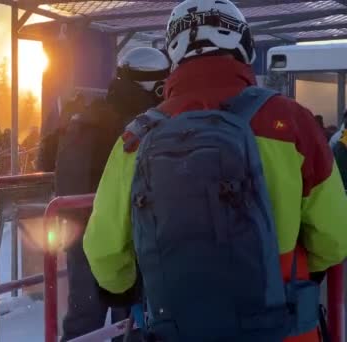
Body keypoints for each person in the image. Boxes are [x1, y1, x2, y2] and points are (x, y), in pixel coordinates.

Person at [84, 1, 347, 341]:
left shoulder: (137, 137)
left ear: (173, 54)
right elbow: (333, 237)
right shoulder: (292, 122)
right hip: (281, 326)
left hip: (178, 325)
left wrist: (122, 288)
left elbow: (105, 252)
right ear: (244, 46)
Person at [57, 47, 170, 342]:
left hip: (79, 231)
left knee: (84, 317)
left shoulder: (88, 117)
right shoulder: (142, 123)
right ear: (156, 85)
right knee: (130, 317)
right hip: (126, 234)